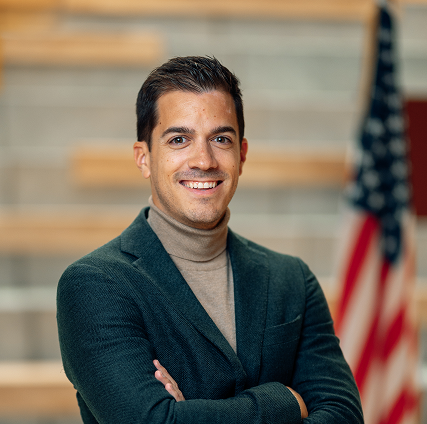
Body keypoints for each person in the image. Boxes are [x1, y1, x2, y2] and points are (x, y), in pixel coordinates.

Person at [57, 56, 363, 423]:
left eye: (220, 139)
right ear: (144, 158)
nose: (203, 161)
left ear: (242, 155)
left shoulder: (292, 279)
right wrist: (284, 402)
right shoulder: (95, 285)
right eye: (179, 139)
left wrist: (188, 414)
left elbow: (344, 414)